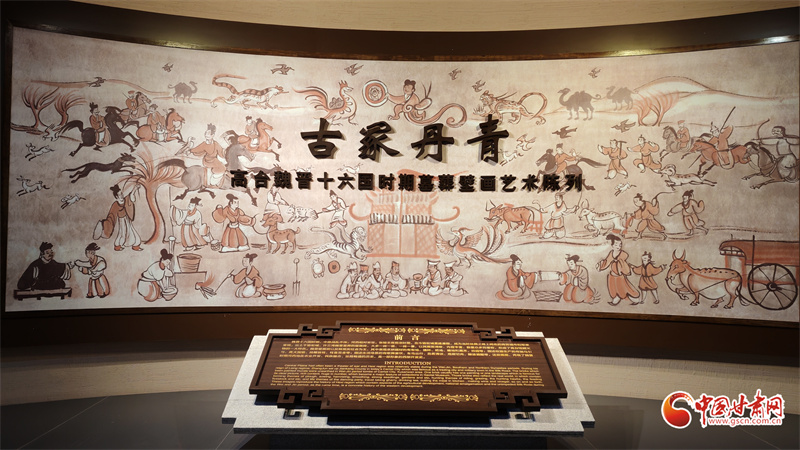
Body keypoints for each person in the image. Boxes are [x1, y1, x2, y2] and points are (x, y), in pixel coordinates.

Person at [596, 234, 639, 306]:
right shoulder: (611, 253)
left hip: (619, 276)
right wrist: (600, 266)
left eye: (620, 245)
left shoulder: (623, 254)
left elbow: (625, 257)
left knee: (625, 288)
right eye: (616, 245)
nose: (618, 246)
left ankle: (635, 299)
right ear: (612, 245)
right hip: (612, 275)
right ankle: (615, 300)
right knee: (613, 289)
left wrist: (618, 260)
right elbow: (607, 261)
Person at [97, 185, 143, 251]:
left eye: (121, 193)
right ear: (116, 197)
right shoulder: (115, 204)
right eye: (120, 194)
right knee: (122, 234)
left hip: (127, 219)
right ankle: (117, 246)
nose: (122, 195)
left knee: (132, 231)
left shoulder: (125, 200)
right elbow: (111, 215)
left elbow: (131, 196)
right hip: (121, 221)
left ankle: (136, 246)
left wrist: (135, 188)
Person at [190, 123, 227, 188]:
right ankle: (213, 182)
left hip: (215, 160)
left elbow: (220, 153)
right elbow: (195, 150)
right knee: (221, 168)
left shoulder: (216, 144)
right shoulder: (204, 144)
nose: (206, 135)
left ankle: (216, 180)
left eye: (208, 134)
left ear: (212, 135)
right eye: (206, 133)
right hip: (207, 160)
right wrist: (189, 148)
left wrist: (225, 158)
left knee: (223, 167)